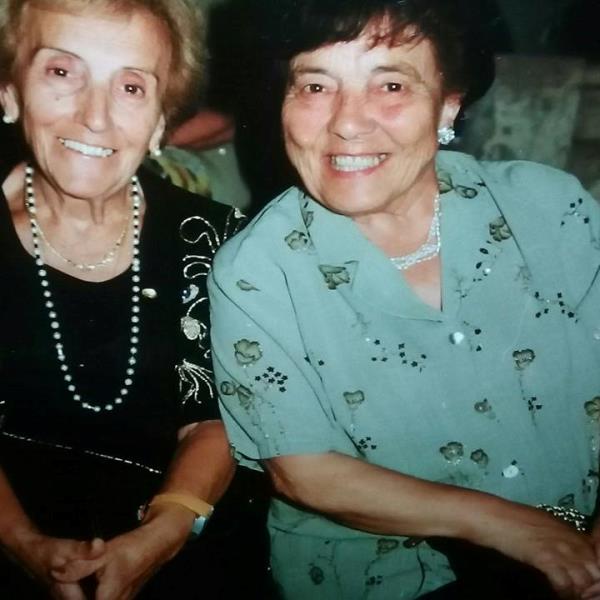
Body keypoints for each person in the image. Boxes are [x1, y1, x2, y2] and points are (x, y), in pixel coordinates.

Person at [208, 0, 600, 598]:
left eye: (390, 85)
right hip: (397, 575)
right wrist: (520, 532)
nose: (347, 122)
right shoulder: (257, 271)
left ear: (448, 104)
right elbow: (305, 471)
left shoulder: (548, 207)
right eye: (316, 86)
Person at [0, 0, 271, 598]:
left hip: (183, 542)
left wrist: (162, 534)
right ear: (10, 92)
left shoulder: (217, 241)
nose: (94, 117)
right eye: (62, 72)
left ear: (160, 122)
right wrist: (23, 544)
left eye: (130, 87)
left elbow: (215, 419)